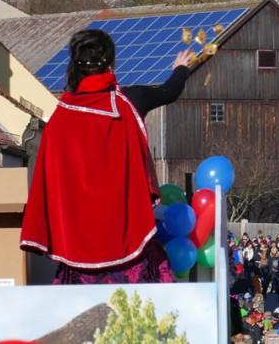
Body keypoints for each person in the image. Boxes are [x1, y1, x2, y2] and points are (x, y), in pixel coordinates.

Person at [20, 28, 192, 284]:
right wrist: (181, 68)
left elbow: (50, 182)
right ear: (111, 63)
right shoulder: (130, 101)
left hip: (77, 249)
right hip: (129, 240)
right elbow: (170, 91)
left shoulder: (60, 118)